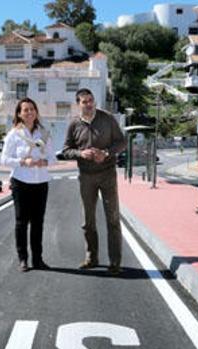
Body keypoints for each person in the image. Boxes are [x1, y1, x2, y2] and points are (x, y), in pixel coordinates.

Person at [62, 88, 127, 275]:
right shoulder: (73, 124)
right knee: (88, 221)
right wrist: (80, 153)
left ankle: (115, 262)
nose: (89, 104)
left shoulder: (107, 118)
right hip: (86, 176)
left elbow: (121, 142)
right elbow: (66, 149)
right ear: (78, 104)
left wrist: (106, 153)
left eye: (91, 100)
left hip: (108, 174)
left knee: (112, 219)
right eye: (84, 101)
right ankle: (92, 257)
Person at [1, 98, 55, 272]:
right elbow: (4, 160)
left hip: (40, 183)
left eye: (32, 109)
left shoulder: (44, 133)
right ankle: (23, 259)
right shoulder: (14, 135)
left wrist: (44, 162)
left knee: (38, 222)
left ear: (36, 112)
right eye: (25, 110)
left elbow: (53, 158)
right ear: (19, 114)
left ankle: (38, 259)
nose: (30, 112)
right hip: (21, 182)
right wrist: (23, 161)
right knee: (21, 222)